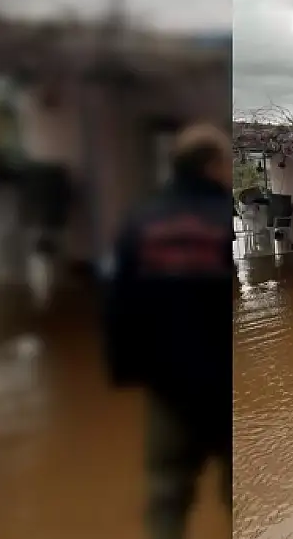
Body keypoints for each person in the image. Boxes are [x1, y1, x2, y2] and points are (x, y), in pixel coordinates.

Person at [102, 122, 233, 539]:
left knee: (166, 495)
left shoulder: (141, 218)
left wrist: (124, 371)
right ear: (212, 166)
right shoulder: (220, 218)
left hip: (167, 383)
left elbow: (118, 301)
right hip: (220, 379)